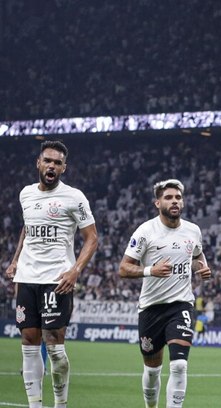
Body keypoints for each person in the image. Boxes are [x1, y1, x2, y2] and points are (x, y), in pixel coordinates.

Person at [5, 140, 99, 408]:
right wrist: (14, 261)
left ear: (64, 168)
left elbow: (91, 238)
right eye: (48, 160)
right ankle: (35, 405)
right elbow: (27, 227)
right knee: (28, 341)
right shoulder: (26, 194)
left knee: (55, 346)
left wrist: (75, 270)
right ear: (38, 163)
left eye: (57, 163)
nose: (52, 166)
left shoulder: (74, 197)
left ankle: (60, 404)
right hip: (27, 277)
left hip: (56, 280)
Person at [119, 179, 212, 408]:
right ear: (157, 202)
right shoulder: (146, 231)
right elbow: (123, 268)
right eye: (169, 198)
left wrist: (202, 266)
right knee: (152, 371)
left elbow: (197, 255)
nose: (174, 201)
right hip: (151, 307)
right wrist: (151, 270)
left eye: (178, 197)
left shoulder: (193, 230)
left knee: (179, 365)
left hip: (181, 305)